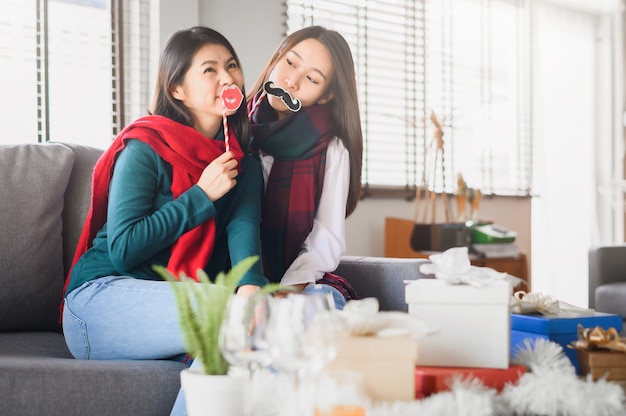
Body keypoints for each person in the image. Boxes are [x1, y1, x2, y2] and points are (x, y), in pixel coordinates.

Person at [62, 23, 267, 375]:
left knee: (250, 338)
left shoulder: (242, 165)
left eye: (231, 66)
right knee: (225, 312)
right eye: (209, 70)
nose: (227, 78)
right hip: (99, 300)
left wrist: (254, 294)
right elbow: (124, 249)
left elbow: (244, 240)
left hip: (176, 307)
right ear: (178, 88)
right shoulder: (145, 146)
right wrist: (201, 194)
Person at [247, 26, 363, 310]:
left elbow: (325, 240)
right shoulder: (234, 129)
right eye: (290, 62)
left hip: (298, 284)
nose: (291, 81)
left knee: (319, 306)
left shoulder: (331, 148)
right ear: (276, 59)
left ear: (325, 96)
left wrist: (284, 293)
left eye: (311, 78)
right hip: (236, 281)